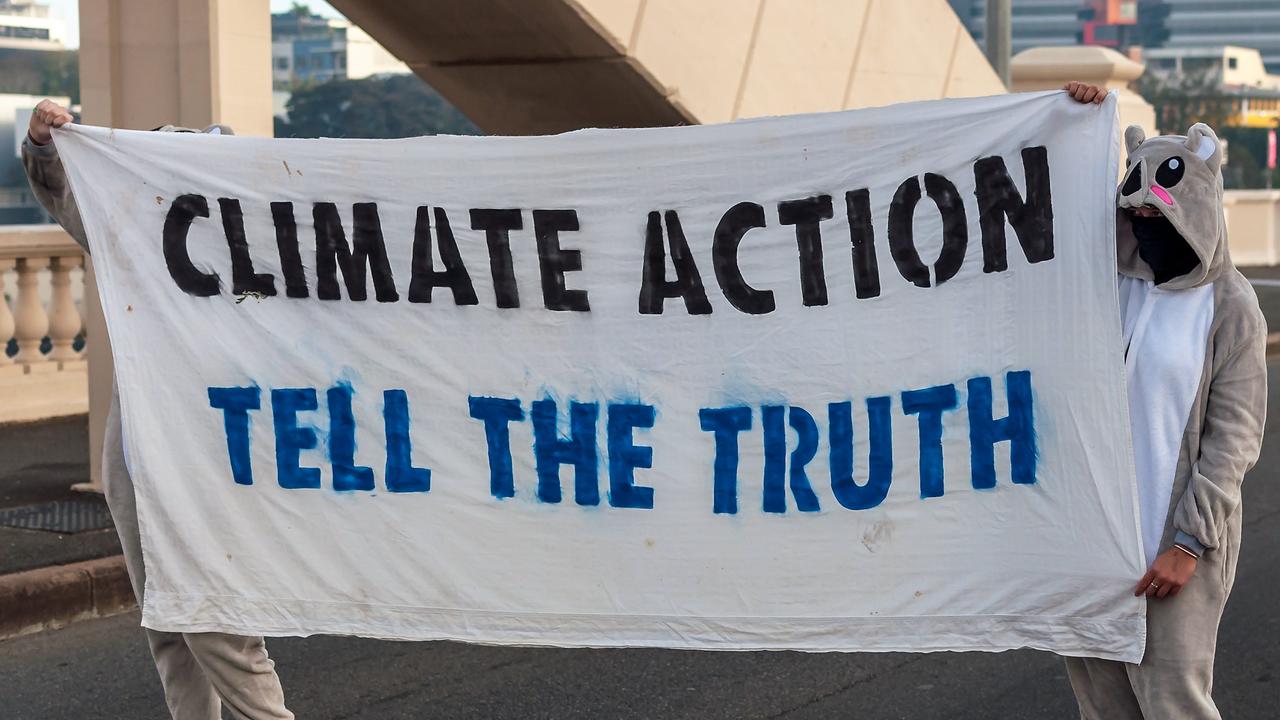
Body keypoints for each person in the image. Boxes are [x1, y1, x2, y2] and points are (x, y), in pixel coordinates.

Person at [23, 99, 294, 720]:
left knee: (214, 619)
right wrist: (42, 143)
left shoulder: (267, 245)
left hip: (222, 451)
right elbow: (67, 193)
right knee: (167, 623)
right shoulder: (134, 235)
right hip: (141, 449)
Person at [1061, 82, 1267, 718]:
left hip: (1175, 548)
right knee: (1103, 704)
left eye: (1163, 212)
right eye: (1139, 214)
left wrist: (1188, 544)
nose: (1148, 224)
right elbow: (1054, 208)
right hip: (1094, 543)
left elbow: (1235, 439)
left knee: (1174, 702)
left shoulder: (1231, 306)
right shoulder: (1105, 284)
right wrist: (1080, 121)